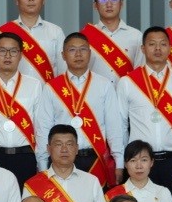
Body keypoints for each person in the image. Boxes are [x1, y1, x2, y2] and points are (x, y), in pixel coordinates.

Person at [119, 27, 172, 192]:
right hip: (140, 162)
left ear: (170, 48)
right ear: (143, 48)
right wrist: (124, 159)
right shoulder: (127, 82)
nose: (158, 48)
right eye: (152, 44)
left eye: (163, 44)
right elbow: (121, 125)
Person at [49, 31, 127, 186]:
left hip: (96, 158)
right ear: (63, 55)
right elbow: (44, 127)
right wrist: (42, 162)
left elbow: (114, 126)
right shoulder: (51, 87)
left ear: (90, 53)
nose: (78, 54)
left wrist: (119, 162)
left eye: (83, 49)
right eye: (72, 50)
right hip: (62, 159)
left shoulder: (104, 85)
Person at [0, 30, 52, 184]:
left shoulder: (34, 85)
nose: (7, 56)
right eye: (2, 51)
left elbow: (41, 127)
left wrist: (43, 163)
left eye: (13, 51)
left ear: (21, 55)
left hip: (25, 157)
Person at [0, 0, 66, 82]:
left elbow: (64, 72)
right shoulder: (3, 32)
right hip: (12, 92)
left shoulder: (56, 32)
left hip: (46, 92)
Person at [82, 0, 143, 81]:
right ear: (95, 5)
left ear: (121, 4)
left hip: (126, 91)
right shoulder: (84, 37)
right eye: (103, 0)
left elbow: (140, 72)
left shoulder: (136, 36)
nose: (109, 4)